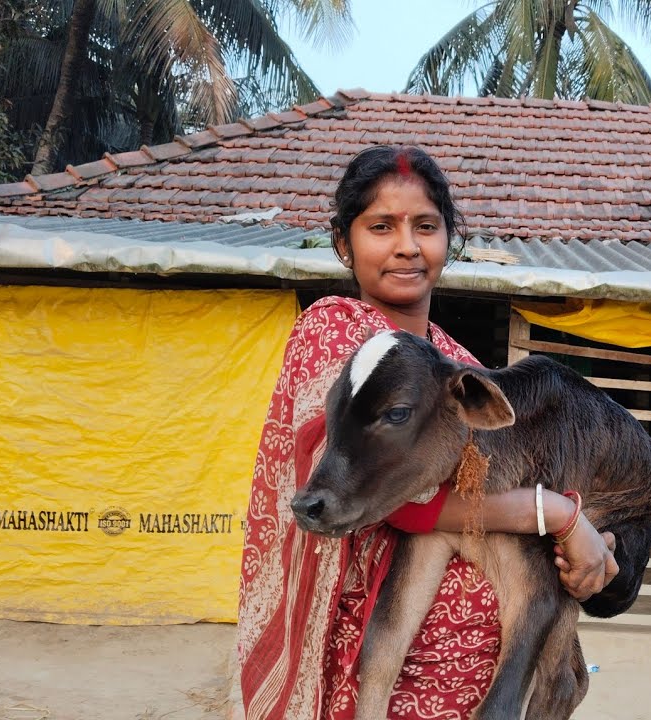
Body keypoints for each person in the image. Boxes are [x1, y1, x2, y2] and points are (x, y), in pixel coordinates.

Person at [236, 145, 619, 720]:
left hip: (484, 681)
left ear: (449, 241)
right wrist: (560, 516)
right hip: (380, 666)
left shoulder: (463, 370)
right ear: (344, 244)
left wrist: (590, 547)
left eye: (425, 226)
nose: (407, 246)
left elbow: (503, 497)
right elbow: (388, 499)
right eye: (380, 227)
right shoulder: (338, 335)